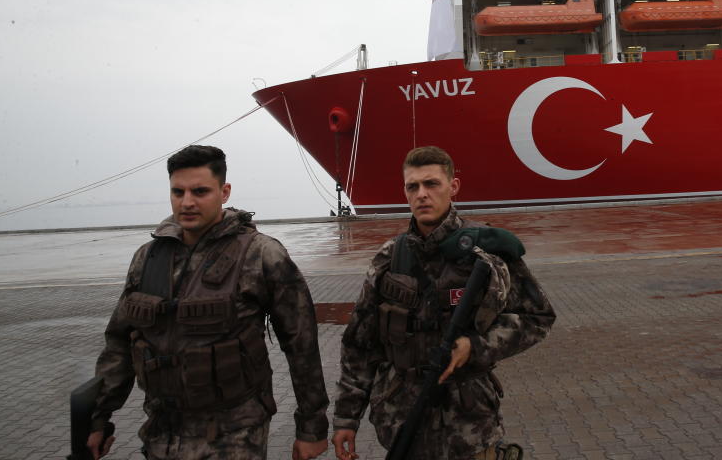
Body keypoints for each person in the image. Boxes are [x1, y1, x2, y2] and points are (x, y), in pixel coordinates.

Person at [86, 145, 329, 460]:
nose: (187, 202)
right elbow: (119, 343)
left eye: (200, 191)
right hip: (162, 432)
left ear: (224, 191)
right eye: (178, 191)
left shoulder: (261, 255)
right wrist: (98, 418)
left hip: (235, 436)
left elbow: (302, 346)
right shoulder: (147, 259)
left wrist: (312, 428)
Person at [331, 146, 556, 460]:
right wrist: (346, 418)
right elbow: (360, 344)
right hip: (402, 424)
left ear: (453, 187)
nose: (422, 194)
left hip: (470, 426)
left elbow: (538, 317)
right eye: (413, 187)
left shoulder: (488, 253)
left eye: (431, 184)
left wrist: (476, 346)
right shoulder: (389, 259)